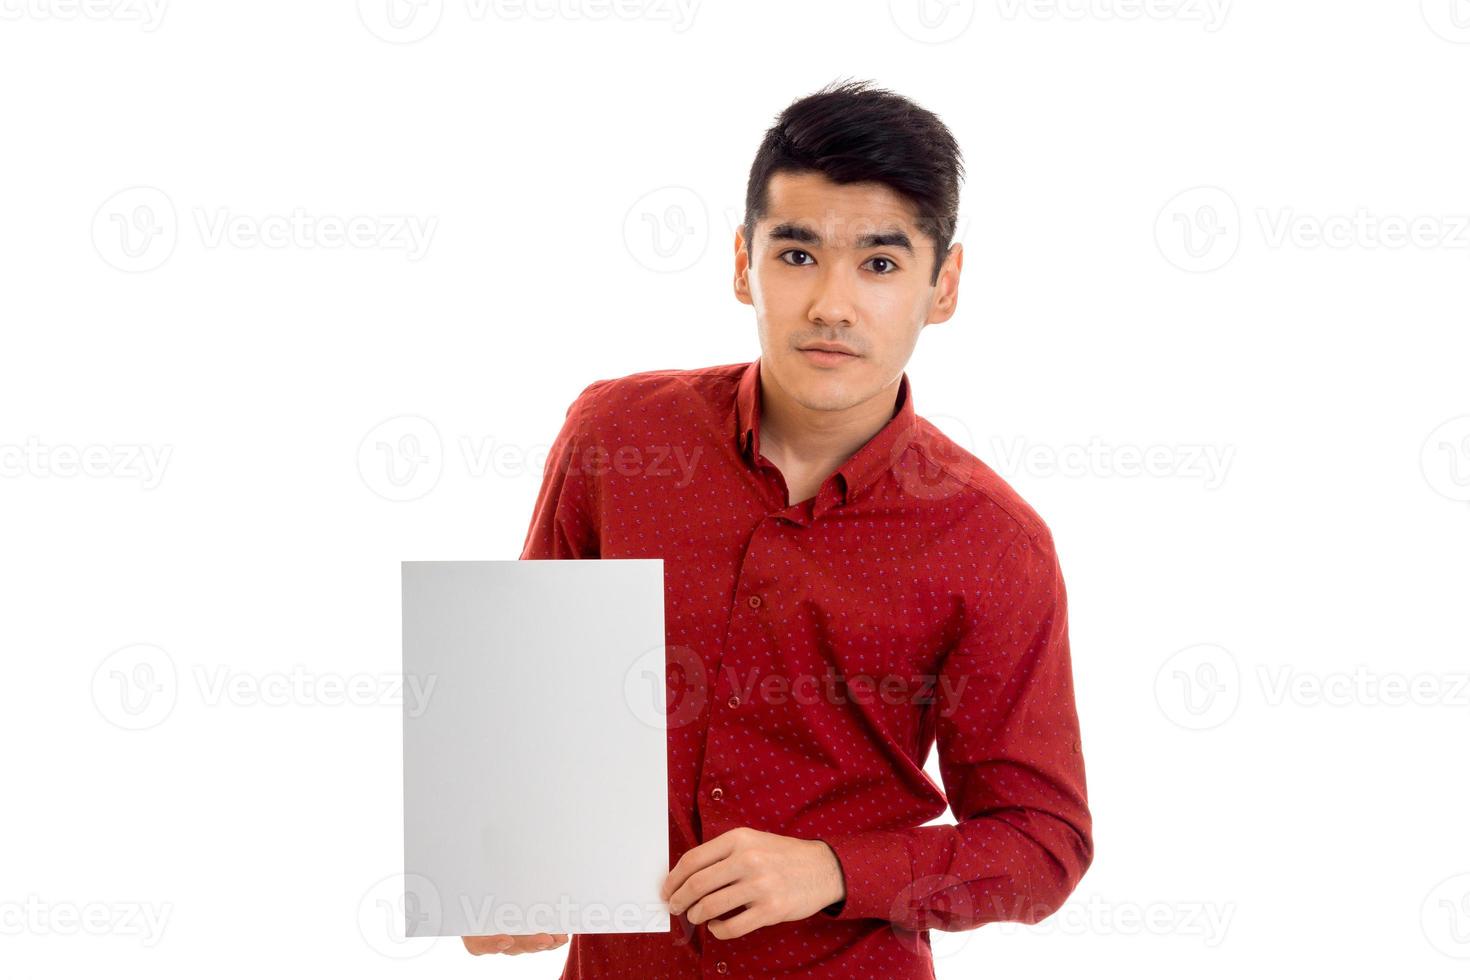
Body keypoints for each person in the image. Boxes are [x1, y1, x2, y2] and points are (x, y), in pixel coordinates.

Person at [464, 77, 1093, 978]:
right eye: (797, 255)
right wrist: (495, 861)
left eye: (880, 264)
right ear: (740, 262)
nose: (832, 304)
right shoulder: (617, 438)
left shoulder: (993, 543)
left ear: (943, 285)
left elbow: (1043, 845)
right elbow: (526, 701)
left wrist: (834, 871)